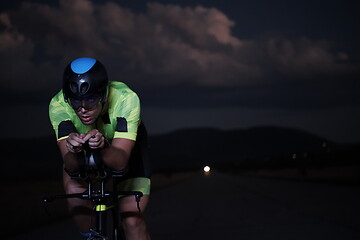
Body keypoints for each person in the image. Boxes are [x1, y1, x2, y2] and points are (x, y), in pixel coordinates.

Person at [49, 57, 151, 240]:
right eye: (75, 102)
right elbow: (71, 166)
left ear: (104, 95)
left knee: (132, 221)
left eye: (90, 100)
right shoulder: (58, 105)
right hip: (84, 154)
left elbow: (120, 162)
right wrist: (73, 150)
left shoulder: (126, 98)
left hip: (126, 152)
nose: (82, 109)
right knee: (74, 191)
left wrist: (103, 146)